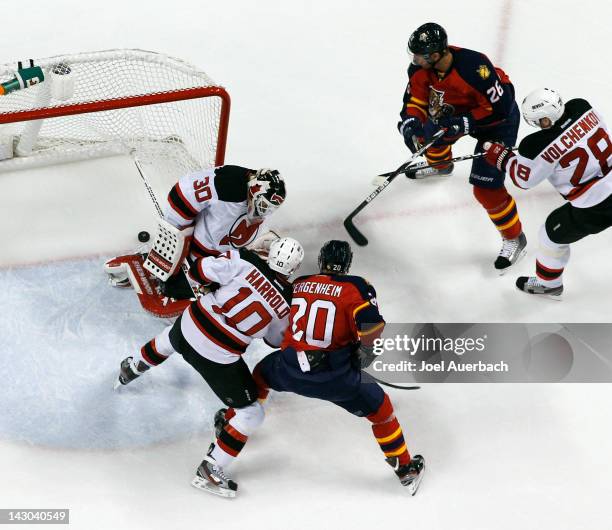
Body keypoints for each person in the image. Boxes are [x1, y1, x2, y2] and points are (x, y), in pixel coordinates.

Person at [211, 240, 425, 497]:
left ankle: (233, 420)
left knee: (261, 375)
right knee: (382, 412)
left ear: (321, 261)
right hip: (337, 380)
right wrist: (365, 355)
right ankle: (405, 468)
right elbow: (372, 327)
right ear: (347, 263)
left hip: (289, 369)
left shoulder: (301, 283)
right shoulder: (357, 287)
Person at [114, 237, 305, 498]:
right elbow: (274, 340)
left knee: (171, 338)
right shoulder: (288, 303)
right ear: (293, 269)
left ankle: (133, 367)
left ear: (270, 254)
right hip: (217, 354)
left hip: (192, 322)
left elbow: (199, 270)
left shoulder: (245, 260)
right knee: (251, 414)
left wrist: (207, 285)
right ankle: (211, 468)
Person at [398, 22, 526, 272]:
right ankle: (441, 166)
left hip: (497, 123)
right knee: (429, 136)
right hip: (456, 113)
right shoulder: (418, 69)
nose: (414, 59)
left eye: (419, 55)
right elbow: (415, 100)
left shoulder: (475, 68)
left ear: (435, 55)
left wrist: (465, 123)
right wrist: (411, 123)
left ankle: (514, 237)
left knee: (485, 189)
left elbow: (502, 108)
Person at [482, 88, 612, 297]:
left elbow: (523, 179)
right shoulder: (581, 106)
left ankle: (548, 284)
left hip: (593, 206)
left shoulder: (535, 145)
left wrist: (503, 158)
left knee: (550, 234)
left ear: (543, 120)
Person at [106, 165, 286, 300]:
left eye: (269, 208)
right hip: (196, 250)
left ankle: (173, 275)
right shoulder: (227, 186)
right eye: (263, 205)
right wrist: (176, 231)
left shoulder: (257, 200)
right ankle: (151, 265)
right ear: (253, 190)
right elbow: (183, 193)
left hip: (212, 256)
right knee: (173, 278)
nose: (264, 212)